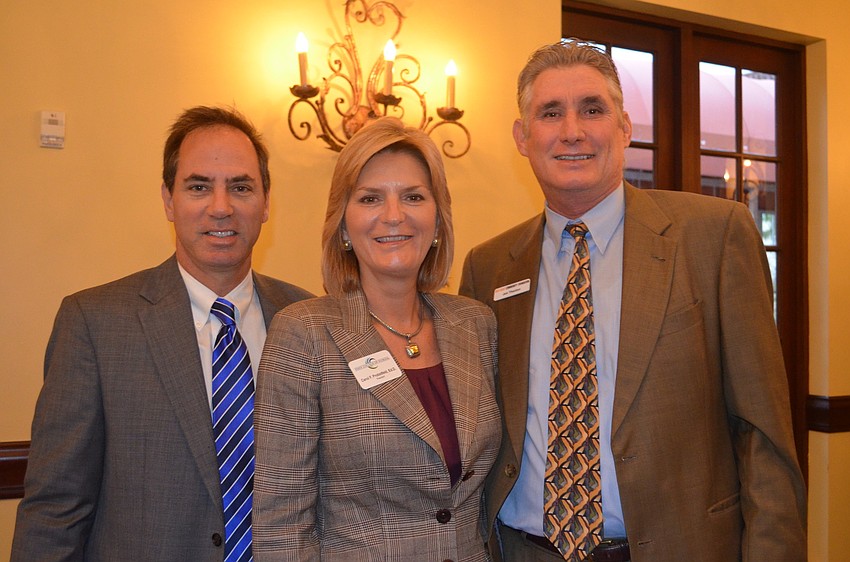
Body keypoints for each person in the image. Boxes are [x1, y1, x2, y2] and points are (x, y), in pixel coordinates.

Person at [459, 40, 807, 562]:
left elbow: (764, 436)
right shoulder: (487, 267)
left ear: (623, 128)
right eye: (550, 113)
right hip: (522, 549)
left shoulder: (712, 237)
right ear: (522, 137)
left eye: (592, 110)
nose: (572, 130)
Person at [11, 105, 313, 562]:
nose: (220, 206)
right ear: (169, 201)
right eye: (198, 186)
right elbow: (56, 507)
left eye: (240, 186)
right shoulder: (95, 323)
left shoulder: (308, 318)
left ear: (266, 202)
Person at [253, 117, 501, 561]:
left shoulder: (476, 324)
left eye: (413, 196)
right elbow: (282, 526)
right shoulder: (304, 334)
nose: (393, 215)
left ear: (438, 220)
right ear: (344, 227)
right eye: (370, 198)